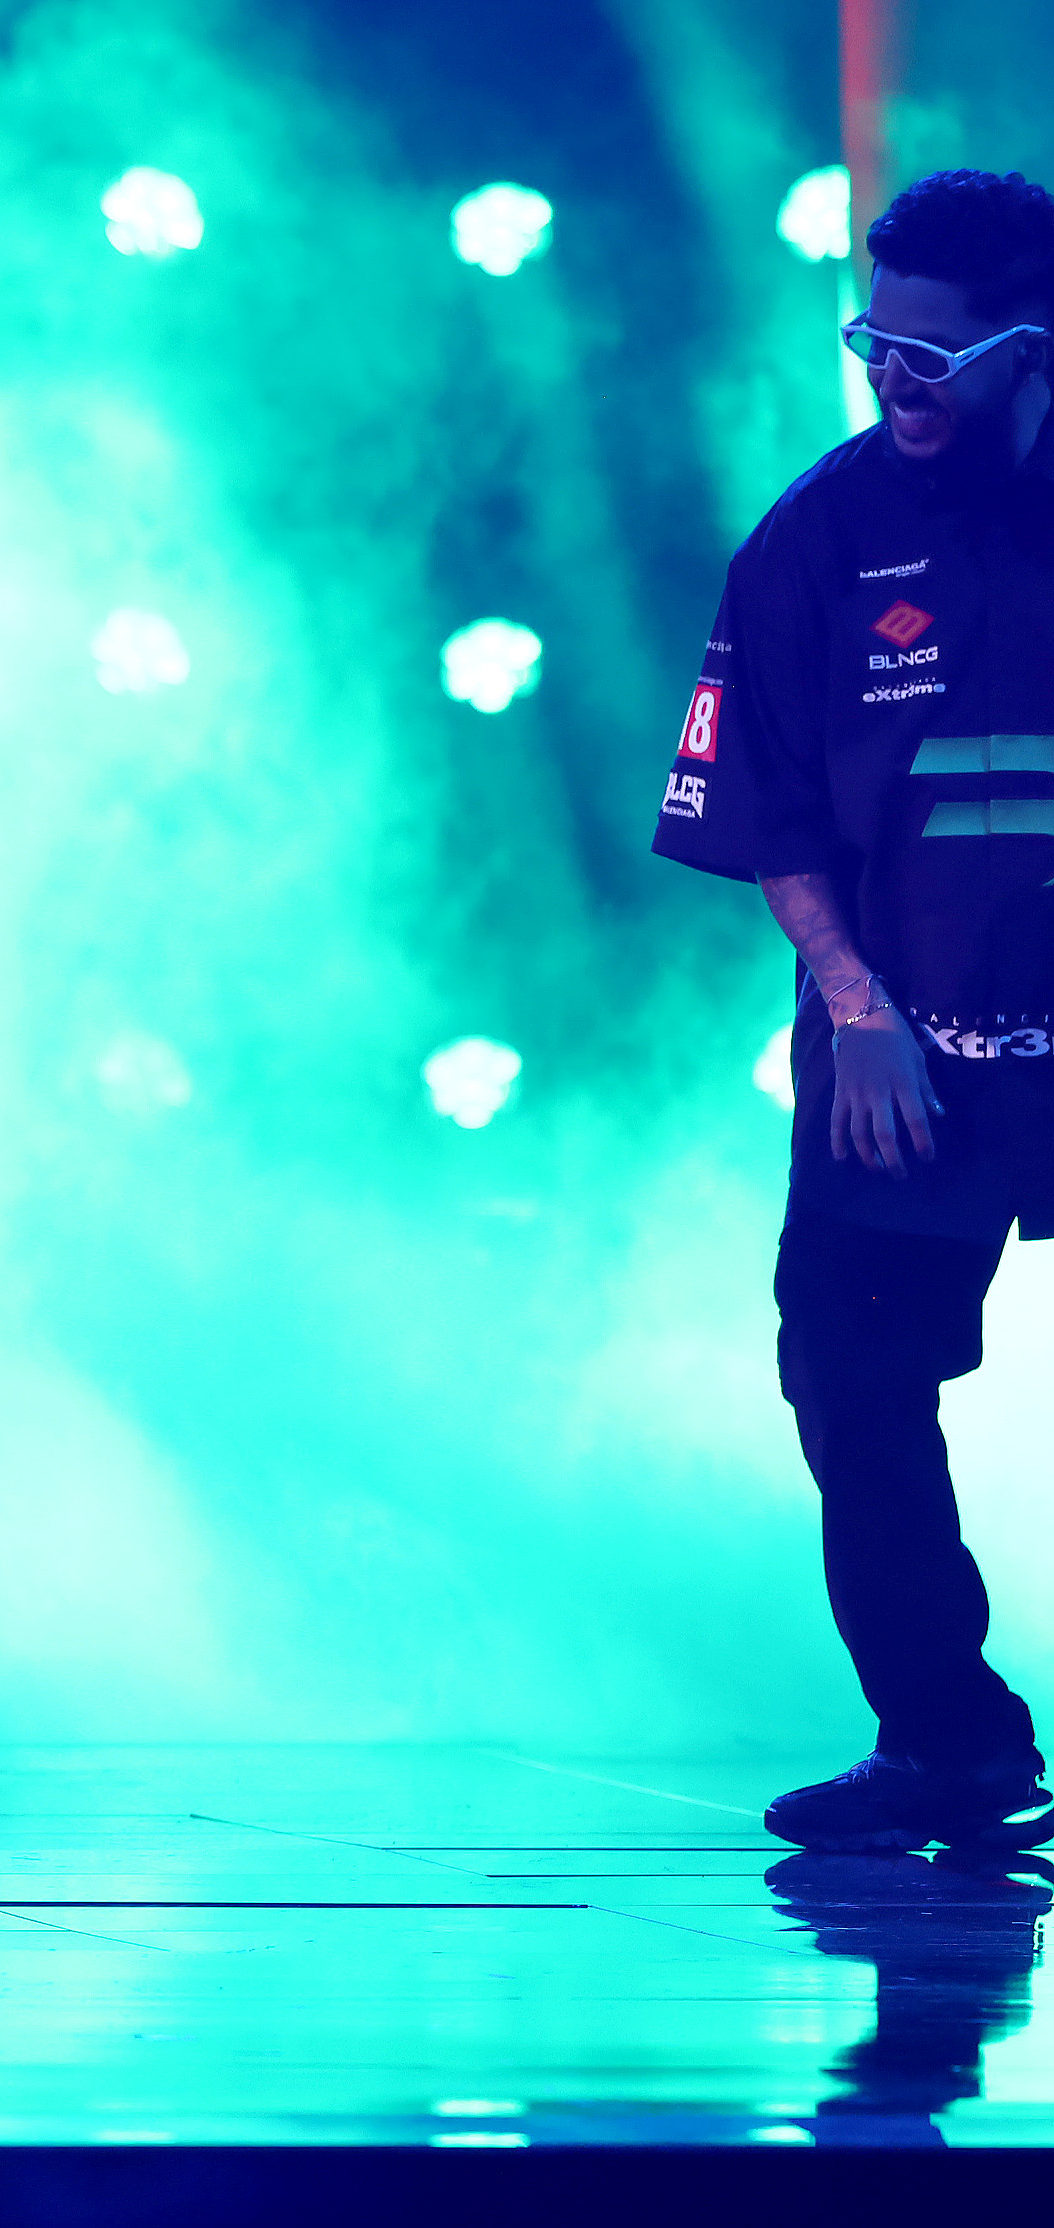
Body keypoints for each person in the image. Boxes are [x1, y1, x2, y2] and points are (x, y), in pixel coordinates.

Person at [653, 168, 1054, 1855]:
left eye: (933, 354)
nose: (895, 377)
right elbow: (774, 808)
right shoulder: (815, 539)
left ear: (1034, 350)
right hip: (906, 1053)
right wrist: (854, 1003)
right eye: (872, 341)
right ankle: (945, 1741)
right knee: (847, 1370)